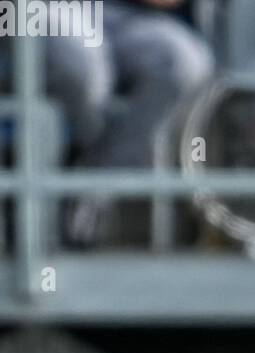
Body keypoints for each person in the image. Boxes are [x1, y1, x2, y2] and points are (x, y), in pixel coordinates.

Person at [44, 0, 215, 245]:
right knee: (85, 72)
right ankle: (65, 179)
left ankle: (92, 186)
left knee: (185, 62)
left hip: (129, 14)